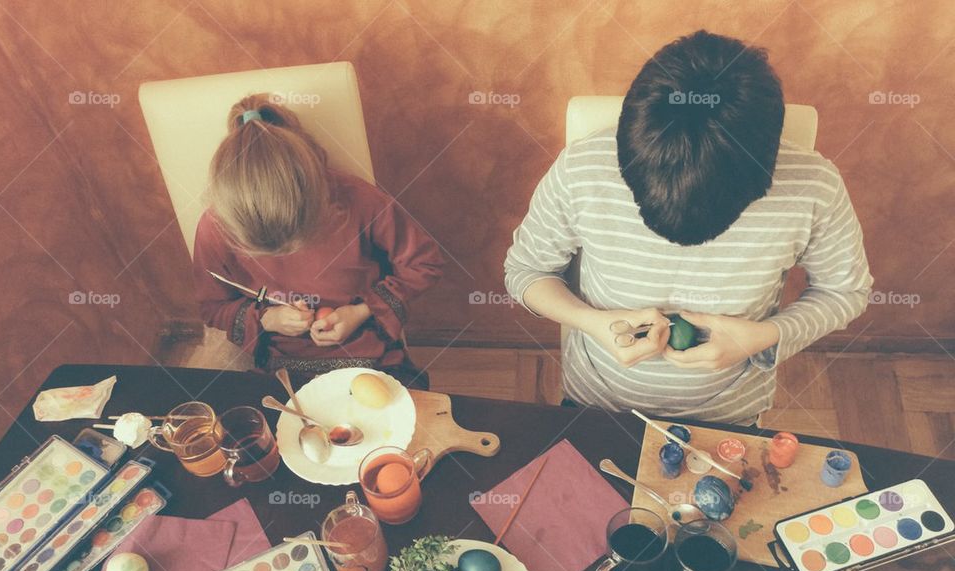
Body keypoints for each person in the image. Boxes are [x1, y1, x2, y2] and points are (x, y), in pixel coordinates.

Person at [505, 30, 873, 425]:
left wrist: (766, 337)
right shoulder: (583, 169)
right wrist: (591, 322)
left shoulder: (815, 187)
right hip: (596, 409)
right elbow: (526, 271)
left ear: (761, 177)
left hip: (729, 418)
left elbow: (846, 291)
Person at [194, 94, 444, 387]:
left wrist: (359, 312)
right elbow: (212, 307)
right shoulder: (216, 226)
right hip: (280, 366)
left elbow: (424, 264)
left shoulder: (358, 200)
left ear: (320, 197)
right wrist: (267, 319)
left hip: (367, 353)